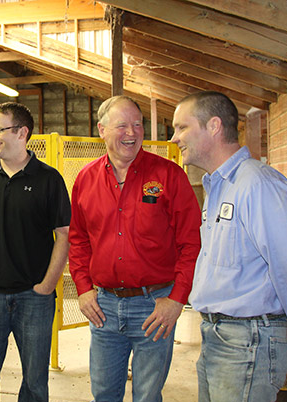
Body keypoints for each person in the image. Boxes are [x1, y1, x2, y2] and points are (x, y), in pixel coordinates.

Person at [171, 91, 287, 402]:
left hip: (248, 341)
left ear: (213, 126)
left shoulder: (257, 185)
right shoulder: (219, 186)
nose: (175, 138)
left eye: (181, 128)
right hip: (221, 337)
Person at [68, 95, 201, 402]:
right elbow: (78, 240)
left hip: (155, 306)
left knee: (147, 395)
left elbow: (191, 243)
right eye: (122, 125)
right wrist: (84, 289)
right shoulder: (86, 179)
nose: (132, 132)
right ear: (102, 130)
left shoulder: (169, 175)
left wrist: (177, 299)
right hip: (104, 307)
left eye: (138, 124)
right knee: (103, 392)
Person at [0, 102, 71, 402]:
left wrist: (47, 286)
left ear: (22, 133)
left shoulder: (49, 179)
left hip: (34, 298)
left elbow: (64, 236)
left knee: (34, 384)